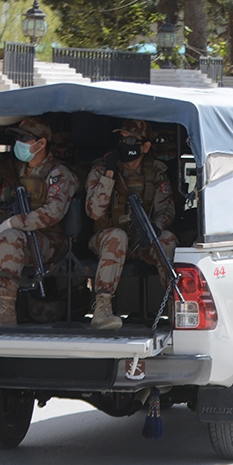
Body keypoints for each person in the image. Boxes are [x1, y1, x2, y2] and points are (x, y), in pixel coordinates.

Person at [0, 117, 79, 327]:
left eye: (25, 138)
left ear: (42, 143)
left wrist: (11, 224)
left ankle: (6, 308)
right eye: (18, 137)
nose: (19, 141)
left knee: (10, 237)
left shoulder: (59, 174)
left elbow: (53, 213)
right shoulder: (14, 173)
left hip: (51, 240)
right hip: (15, 238)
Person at [85, 119, 178, 330]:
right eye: (122, 139)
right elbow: (94, 211)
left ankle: (174, 306)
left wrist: (155, 226)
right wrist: (109, 175)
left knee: (167, 239)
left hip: (141, 241)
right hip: (105, 241)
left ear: (145, 146)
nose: (124, 143)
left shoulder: (156, 171)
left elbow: (166, 209)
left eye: (131, 140)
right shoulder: (101, 169)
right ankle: (102, 308)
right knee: (117, 236)